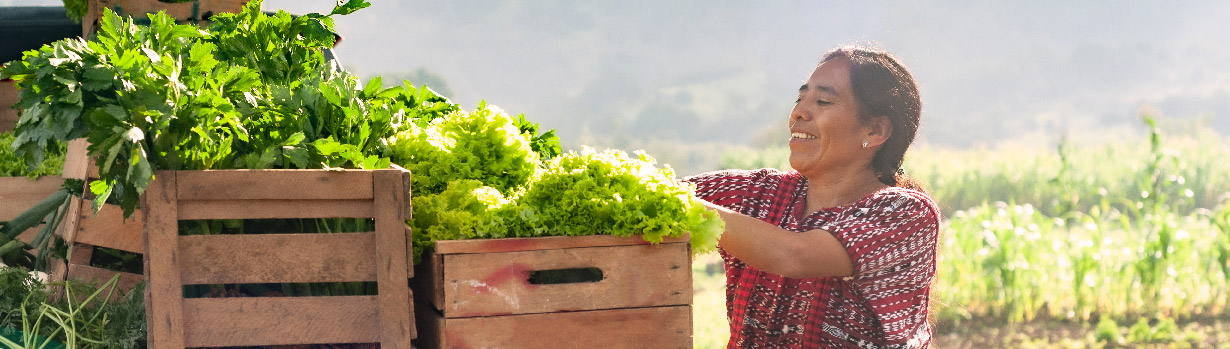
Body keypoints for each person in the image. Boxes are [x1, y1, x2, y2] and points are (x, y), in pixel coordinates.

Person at [685, 45, 940, 348]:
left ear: (875, 130)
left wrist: (684, 207)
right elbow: (658, 192)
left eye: (822, 101)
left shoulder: (906, 214)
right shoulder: (762, 193)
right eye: (800, 98)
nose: (798, 113)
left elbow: (795, 255)